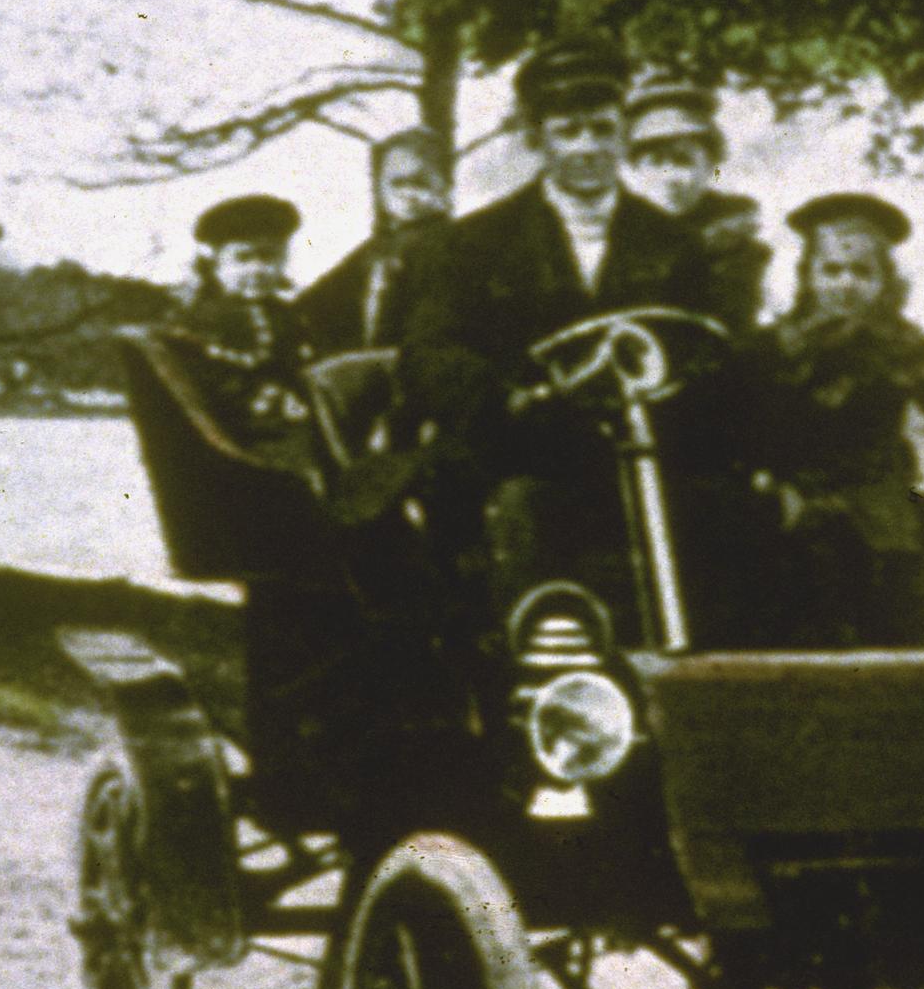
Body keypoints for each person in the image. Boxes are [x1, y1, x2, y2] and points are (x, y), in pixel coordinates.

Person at [396, 37, 718, 638]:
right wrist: (512, 399)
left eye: (603, 129)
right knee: (522, 511)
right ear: (535, 139)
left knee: (727, 515)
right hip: (519, 450)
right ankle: (533, 667)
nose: (588, 148)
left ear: (624, 134)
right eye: (569, 131)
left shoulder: (675, 243)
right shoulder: (470, 245)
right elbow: (430, 354)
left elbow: (707, 348)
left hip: (642, 450)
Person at [746, 191, 924, 646]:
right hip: (789, 505)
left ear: (884, 281)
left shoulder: (902, 346)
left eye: (862, 272)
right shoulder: (772, 348)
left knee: (889, 620)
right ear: (808, 276)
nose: (846, 284)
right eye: (831, 271)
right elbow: (733, 424)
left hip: (879, 509)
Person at [168, 190, 314, 465]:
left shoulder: (284, 313)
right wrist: (273, 399)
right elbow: (210, 377)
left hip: (291, 415)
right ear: (216, 264)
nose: (257, 269)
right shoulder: (206, 317)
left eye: (269, 257)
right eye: (243, 258)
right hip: (241, 431)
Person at [622, 73, 769, 326]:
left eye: (683, 161)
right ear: (635, 168)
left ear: (709, 167)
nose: (669, 177)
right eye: (655, 162)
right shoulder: (614, 237)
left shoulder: (734, 247)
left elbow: (731, 326)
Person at [294, 126, 452, 357]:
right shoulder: (377, 248)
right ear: (380, 188)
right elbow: (320, 299)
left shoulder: (450, 244)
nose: (408, 193)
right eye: (397, 183)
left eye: (420, 183)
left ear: (444, 185)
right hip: (372, 357)